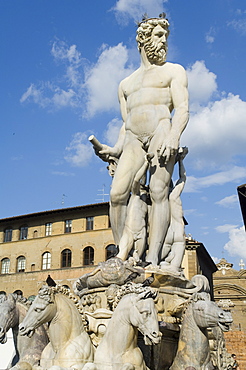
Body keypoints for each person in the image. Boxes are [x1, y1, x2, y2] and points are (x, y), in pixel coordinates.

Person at [96, 14, 189, 265]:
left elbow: (182, 109)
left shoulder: (173, 71)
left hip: (161, 130)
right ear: (143, 39)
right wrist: (114, 149)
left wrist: (173, 136)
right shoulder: (125, 84)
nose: (164, 41)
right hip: (134, 139)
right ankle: (122, 255)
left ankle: (153, 258)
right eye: (159, 35)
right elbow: (126, 125)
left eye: (166, 36)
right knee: (117, 194)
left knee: (158, 191)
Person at [160, 146, 188, 272]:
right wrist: (181, 161)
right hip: (178, 234)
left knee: (161, 266)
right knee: (174, 270)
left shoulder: (158, 201)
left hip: (166, 234)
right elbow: (182, 178)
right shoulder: (174, 195)